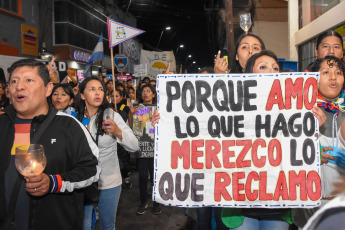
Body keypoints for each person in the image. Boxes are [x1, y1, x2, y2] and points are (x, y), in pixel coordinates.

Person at [0, 59, 100, 230]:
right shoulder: (2, 124)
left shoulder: (69, 126)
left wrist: (54, 182)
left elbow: (93, 170)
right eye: (14, 81)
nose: (19, 86)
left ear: (48, 88)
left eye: (28, 80)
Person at [74, 76, 139, 230]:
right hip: (83, 182)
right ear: (82, 95)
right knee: (84, 225)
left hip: (108, 182)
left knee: (107, 226)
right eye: (92, 89)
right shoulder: (75, 118)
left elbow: (134, 146)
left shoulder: (111, 116)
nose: (98, 93)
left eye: (101, 89)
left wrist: (117, 132)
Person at [294, 55, 345, 228]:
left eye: (338, 72)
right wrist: (312, 153)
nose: (333, 77)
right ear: (313, 79)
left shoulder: (343, 112)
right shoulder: (299, 111)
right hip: (310, 207)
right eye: (326, 72)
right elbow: (286, 156)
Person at [135, 83, 161, 215]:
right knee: (143, 177)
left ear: (154, 94)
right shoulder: (137, 108)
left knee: (155, 177)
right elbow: (136, 128)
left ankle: (157, 203)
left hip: (156, 148)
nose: (145, 93)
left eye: (148, 91)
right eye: (143, 91)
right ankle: (143, 202)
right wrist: (132, 115)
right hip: (143, 147)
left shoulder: (159, 108)